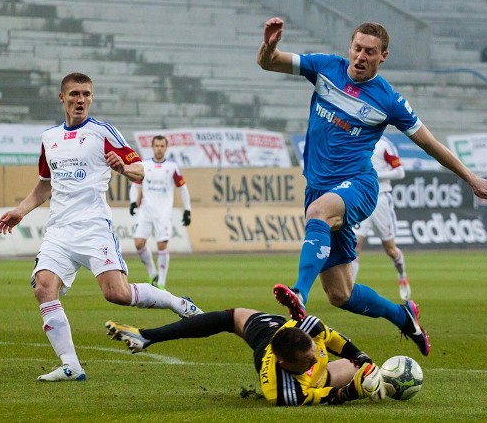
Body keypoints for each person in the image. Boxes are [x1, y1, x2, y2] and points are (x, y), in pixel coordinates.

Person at [257, 17, 487, 357]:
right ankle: (403, 316)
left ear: (383, 56)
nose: (361, 56)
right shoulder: (325, 68)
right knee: (340, 294)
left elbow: (430, 144)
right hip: (318, 188)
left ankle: (299, 294)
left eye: (370, 52)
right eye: (357, 48)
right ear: (350, 47)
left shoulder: (389, 100)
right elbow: (269, 62)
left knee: (318, 214)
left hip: (358, 186)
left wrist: (472, 179)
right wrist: (270, 45)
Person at [0, 72, 203, 382]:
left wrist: (123, 168)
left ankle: (176, 302)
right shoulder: (49, 138)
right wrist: (21, 211)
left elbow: (140, 170)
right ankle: (71, 365)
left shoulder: (102, 132)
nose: (81, 100)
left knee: (116, 294)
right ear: (62, 98)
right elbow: (44, 185)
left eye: (87, 94)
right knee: (43, 287)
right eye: (75, 94)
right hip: (58, 230)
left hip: (94, 227)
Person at [105, 309, 386, 406]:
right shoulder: (282, 391)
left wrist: (359, 356)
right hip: (267, 356)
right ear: (286, 365)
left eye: (314, 354)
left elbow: (336, 340)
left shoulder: (308, 328)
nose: (315, 358)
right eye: (309, 361)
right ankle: (148, 334)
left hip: (271, 329)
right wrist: (349, 393)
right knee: (323, 378)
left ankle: (148, 335)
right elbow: (325, 398)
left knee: (230, 317)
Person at [351, 135, 410, 301]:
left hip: (381, 198)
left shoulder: (384, 144)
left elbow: (400, 171)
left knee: (390, 249)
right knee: (354, 246)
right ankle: (349, 289)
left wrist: (375, 174)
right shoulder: (356, 140)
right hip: (362, 198)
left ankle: (402, 275)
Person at [129, 134, 192, 289]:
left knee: (162, 246)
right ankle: (152, 272)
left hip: (163, 213)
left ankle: (162, 283)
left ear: (166, 147)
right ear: (152, 147)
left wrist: (187, 209)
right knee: (138, 243)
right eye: (156, 146)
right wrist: (132, 202)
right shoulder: (144, 165)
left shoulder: (172, 167)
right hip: (146, 211)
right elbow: (136, 185)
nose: (159, 149)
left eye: (162, 146)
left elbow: (182, 188)